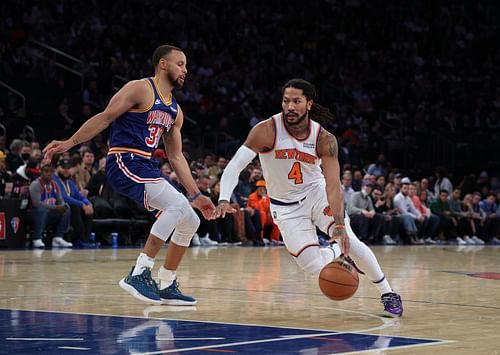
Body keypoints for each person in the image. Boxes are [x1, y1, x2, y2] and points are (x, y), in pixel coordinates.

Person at [44, 44, 216, 305]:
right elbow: (105, 118)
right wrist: (69, 143)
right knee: (177, 206)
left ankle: (167, 282)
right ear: (162, 64)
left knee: (190, 220)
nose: (185, 70)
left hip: (146, 166)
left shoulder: (175, 111)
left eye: (186, 65)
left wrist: (196, 194)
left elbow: (176, 157)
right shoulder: (140, 88)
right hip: (123, 161)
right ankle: (139, 272)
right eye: (180, 64)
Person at [215, 78, 403, 317]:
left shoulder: (324, 139)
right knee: (312, 265)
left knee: (350, 241)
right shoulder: (266, 130)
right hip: (285, 207)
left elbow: (334, 185)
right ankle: (337, 251)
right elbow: (234, 166)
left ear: (309, 104)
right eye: (286, 101)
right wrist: (223, 198)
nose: (290, 106)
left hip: (317, 194)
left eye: (297, 101)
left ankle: (388, 293)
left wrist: (338, 224)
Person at [27, 164, 72, 248]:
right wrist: (55, 207)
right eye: (46, 171)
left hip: (49, 214)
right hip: (33, 214)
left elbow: (60, 201)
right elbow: (36, 203)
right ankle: (37, 238)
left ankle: (58, 237)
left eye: (51, 172)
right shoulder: (36, 184)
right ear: (41, 172)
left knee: (66, 209)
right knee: (42, 209)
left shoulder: (55, 185)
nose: (49, 174)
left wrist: (62, 207)